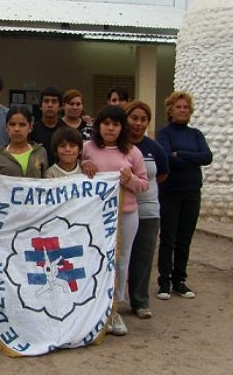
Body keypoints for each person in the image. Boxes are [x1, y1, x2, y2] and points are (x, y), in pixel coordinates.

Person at [82, 106, 148, 336]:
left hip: (125, 214)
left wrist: (130, 180)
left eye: (116, 124)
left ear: (122, 128)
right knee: (94, 258)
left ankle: (114, 308)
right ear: (99, 125)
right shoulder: (86, 148)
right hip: (94, 214)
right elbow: (72, 174)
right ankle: (93, 306)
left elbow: (143, 185)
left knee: (121, 259)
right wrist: (83, 166)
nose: (110, 128)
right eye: (106, 123)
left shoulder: (133, 152)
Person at [156, 91, 212, 300]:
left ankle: (179, 280)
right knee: (168, 238)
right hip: (170, 193)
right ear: (170, 110)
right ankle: (164, 282)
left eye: (186, 107)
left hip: (192, 192)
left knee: (184, 238)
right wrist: (190, 159)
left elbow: (206, 157)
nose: (182, 110)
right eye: (178, 107)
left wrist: (180, 154)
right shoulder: (164, 133)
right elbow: (166, 158)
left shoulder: (196, 134)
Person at [126, 101, 169, 319]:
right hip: (120, 210)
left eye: (143, 119)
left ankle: (140, 301)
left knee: (143, 257)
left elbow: (161, 175)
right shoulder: (117, 146)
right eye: (134, 118)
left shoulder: (155, 148)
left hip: (148, 210)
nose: (138, 123)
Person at [0, 106, 48, 178]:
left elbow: (46, 181)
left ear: (30, 128)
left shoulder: (40, 152)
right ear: (6, 128)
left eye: (22, 125)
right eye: (12, 124)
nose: (17, 129)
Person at [30, 86, 67, 165]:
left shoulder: (67, 131)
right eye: (46, 101)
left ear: (60, 107)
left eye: (54, 101)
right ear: (40, 106)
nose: (50, 105)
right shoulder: (31, 131)